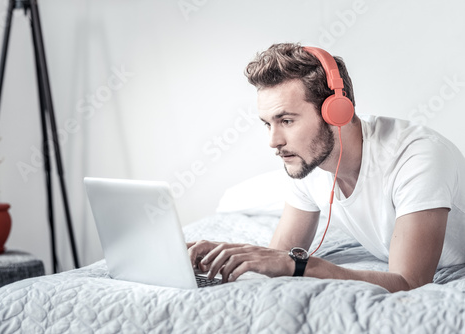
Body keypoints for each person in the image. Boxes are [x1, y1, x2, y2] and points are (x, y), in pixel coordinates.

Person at [187, 43, 465, 293]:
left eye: (286, 121)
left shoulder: (417, 157)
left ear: (337, 112)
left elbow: (410, 283)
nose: (274, 141)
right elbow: (279, 256)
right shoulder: (307, 161)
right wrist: (232, 256)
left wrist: (305, 267)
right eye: (267, 123)